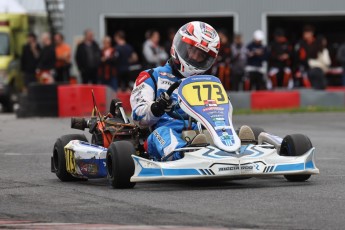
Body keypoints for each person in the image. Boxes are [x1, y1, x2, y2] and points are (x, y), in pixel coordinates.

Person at [130, 21, 220, 161]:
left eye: (201, 55)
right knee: (163, 133)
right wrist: (156, 108)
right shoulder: (151, 76)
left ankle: (237, 147)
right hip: (161, 134)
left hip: (199, 133)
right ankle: (183, 155)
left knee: (221, 131)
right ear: (180, 46)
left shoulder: (206, 83)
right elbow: (138, 116)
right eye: (192, 51)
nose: (195, 58)